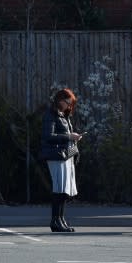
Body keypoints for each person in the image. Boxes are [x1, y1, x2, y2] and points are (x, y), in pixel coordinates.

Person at [39, 87, 83, 233]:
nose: (69, 106)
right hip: (55, 156)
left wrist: (73, 137)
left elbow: (64, 134)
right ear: (59, 100)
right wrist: (69, 136)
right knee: (59, 189)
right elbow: (48, 136)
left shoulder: (63, 115)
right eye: (67, 103)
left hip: (65, 155)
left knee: (64, 190)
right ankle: (55, 221)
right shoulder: (50, 115)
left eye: (70, 104)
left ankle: (60, 219)